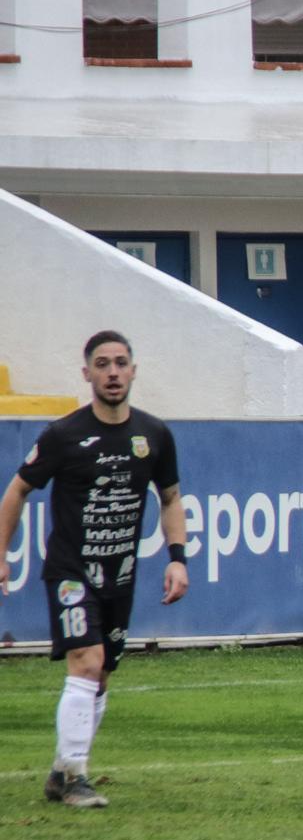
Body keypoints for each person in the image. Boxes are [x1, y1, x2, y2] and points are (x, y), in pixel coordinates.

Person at [0, 331, 189, 808]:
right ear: (87, 373)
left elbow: (170, 499)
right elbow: (17, 491)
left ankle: (62, 772)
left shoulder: (154, 435)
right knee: (86, 662)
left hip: (120, 577)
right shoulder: (64, 435)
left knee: (101, 676)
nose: (112, 372)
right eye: (102, 364)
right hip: (70, 572)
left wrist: (177, 559)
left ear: (133, 371)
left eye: (120, 363)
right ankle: (77, 777)